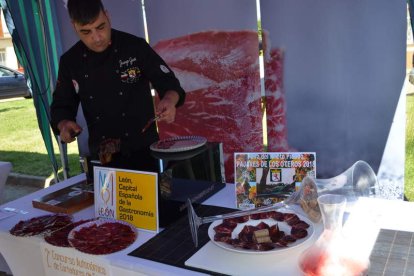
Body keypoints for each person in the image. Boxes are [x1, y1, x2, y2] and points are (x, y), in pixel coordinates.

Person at [50, 0, 185, 173]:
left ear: (107, 15)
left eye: (101, 27)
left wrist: (169, 100)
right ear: (73, 26)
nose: (96, 38)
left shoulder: (134, 47)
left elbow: (169, 84)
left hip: (145, 151)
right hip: (103, 157)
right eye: (86, 32)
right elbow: (61, 105)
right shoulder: (70, 61)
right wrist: (64, 124)